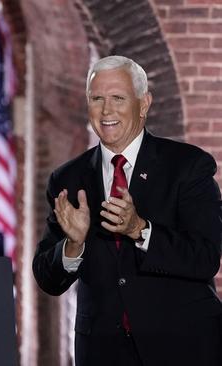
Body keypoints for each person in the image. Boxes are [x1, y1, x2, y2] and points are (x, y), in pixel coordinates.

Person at [33, 55, 222, 366]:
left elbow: (204, 259)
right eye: (97, 99)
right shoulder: (68, 178)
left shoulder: (188, 166)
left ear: (143, 104)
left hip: (183, 346)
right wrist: (73, 246)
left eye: (118, 98)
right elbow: (47, 278)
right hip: (102, 352)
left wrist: (140, 230)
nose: (107, 110)